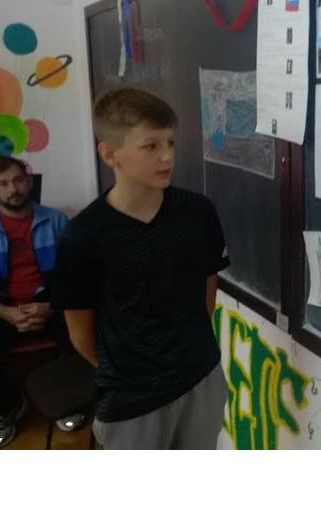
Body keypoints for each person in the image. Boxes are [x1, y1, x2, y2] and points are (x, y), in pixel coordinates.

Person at [53, 87, 230, 449]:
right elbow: (80, 332)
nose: (167, 157)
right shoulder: (84, 236)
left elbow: (206, 293)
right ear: (109, 154)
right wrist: (133, 370)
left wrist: (186, 353)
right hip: (132, 401)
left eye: (170, 143)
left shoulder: (197, 213)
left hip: (201, 377)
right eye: (151, 146)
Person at [0, 157, 73, 448]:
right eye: (3, 183)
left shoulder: (56, 220)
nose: (13, 189)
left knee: (89, 335)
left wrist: (49, 306)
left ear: (29, 182)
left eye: (19, 180)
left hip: (48, 305)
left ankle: (67, 400)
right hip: (1, 308)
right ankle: (8, 405)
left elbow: (71, 275)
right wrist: (6, 312)